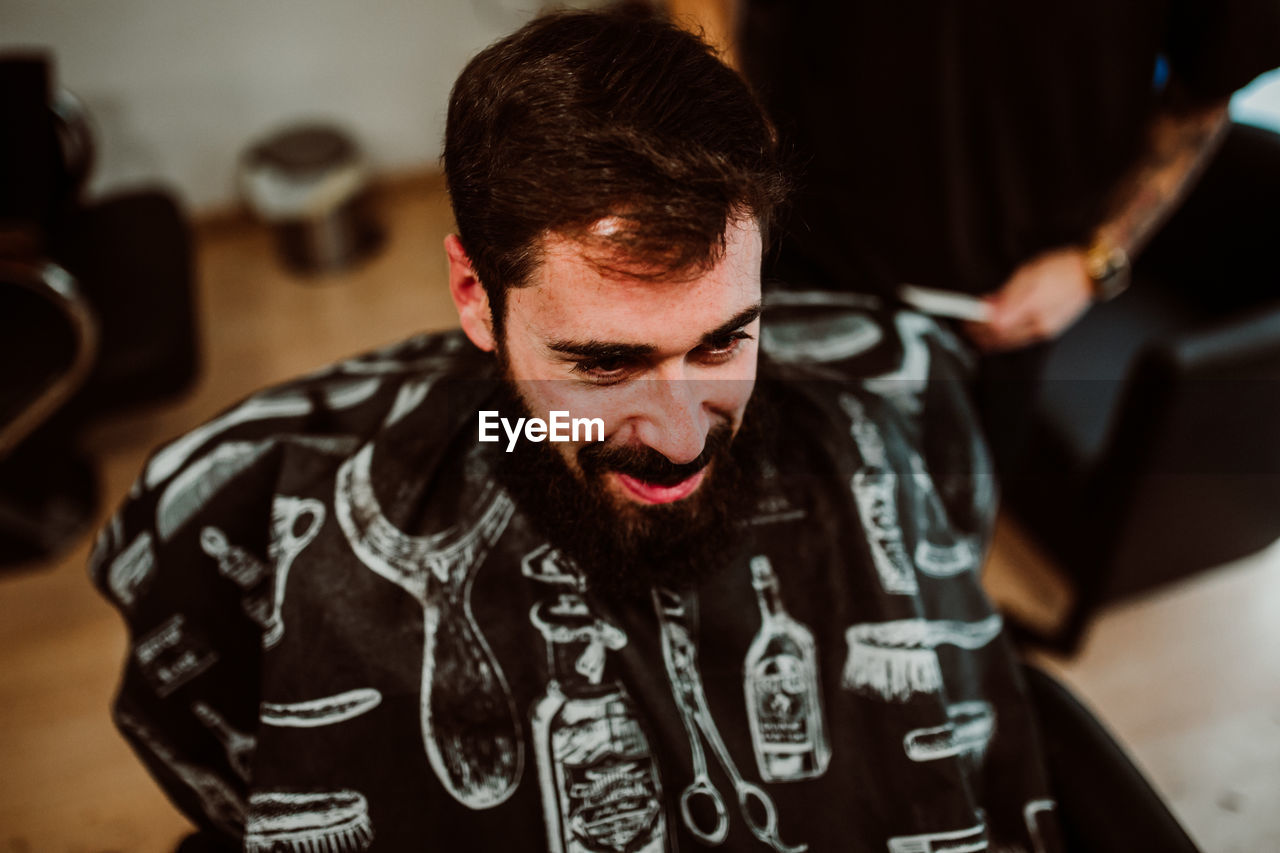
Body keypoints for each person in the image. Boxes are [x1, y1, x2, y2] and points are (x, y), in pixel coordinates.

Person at [91, 9, 1064, 851]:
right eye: (604, 364)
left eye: (723, 340)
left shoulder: (873, 420)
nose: (680, 438)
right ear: (475, 294)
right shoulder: (297, 490)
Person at [735, 0, 1280, 469]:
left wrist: (1097, 263)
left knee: (921, 567)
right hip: (776, 237)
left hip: (992, 311)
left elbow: (1204, 92)